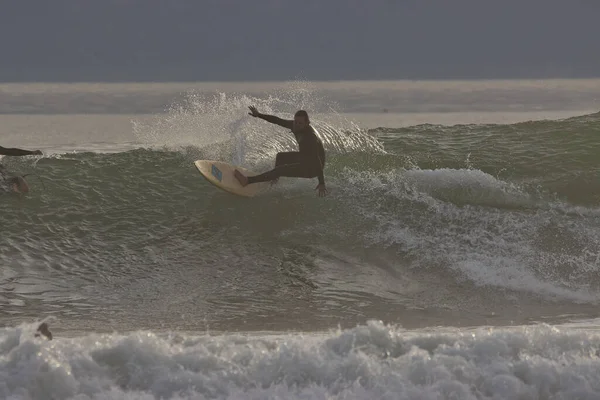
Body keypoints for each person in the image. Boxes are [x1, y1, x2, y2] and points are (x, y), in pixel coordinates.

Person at [233, 106, 328, 197]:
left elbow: (317, 159)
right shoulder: (293, 125)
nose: (297, 125)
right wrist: (259, 114)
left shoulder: (310, 137)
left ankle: (247, 181)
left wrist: (321, 183)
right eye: (296, 122)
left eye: (300, 123)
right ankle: (273, 179)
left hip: (313, 167)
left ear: (307, 123)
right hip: (304, 157)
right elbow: (277, 120)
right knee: (280, 157)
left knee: (280, 170)